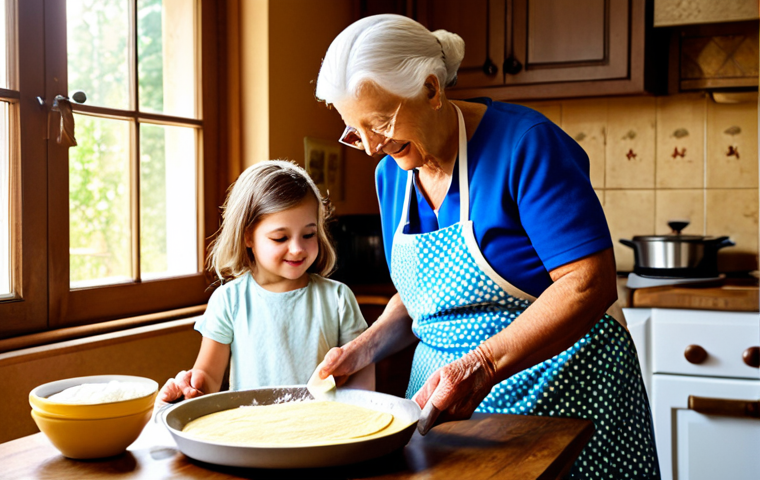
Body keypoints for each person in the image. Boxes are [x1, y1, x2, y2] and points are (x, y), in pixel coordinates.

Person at [314, 14, 660, 480]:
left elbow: (588, 284)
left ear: (432, 90)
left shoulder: (525, 144)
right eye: (357, 131)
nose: (373, 146)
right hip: (445, 409)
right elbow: (423, 298)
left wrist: (479, 365)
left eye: (380, 123)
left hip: (564, 395)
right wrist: (362, 349)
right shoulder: (390, 174)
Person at [158, 160, 371, 404]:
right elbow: (208, 376)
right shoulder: (229, 301)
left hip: (322, 435)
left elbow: (361, 374)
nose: (297, 248)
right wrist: (189, 388)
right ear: (248, 236)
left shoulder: (338, 299)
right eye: (280, 238)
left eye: (309, 234)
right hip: (251, 434)